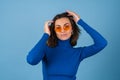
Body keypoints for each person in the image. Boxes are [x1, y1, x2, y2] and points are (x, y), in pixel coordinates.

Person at [26, 10, 107, 80]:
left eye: (66, 27)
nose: (62, 31)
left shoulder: (79, 53)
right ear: (54, 32)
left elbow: (102, 43)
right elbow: (31, 60)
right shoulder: (46, 49)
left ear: (72, 30)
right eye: (58, 28)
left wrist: (80, 21)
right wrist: (46, 34)